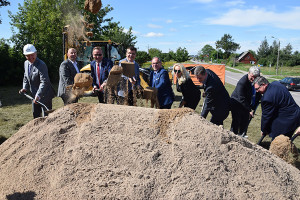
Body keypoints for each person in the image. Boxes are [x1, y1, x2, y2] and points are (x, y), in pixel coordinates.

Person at [253, 76, 300, 140]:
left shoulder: (267, 98)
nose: (257, 91)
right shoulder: (276, 83)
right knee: (286, 139)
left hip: (287, 121)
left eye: (257, 88)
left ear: (263, 85)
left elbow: (266, 116)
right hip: (296, 114)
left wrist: (263, 129)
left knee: (278, 140)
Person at [19, 44, 55, 118]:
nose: (30, 57)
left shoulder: (41, 65)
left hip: (45, 93)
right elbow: (26, 76)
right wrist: (25, 87)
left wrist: (38, 94)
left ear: (36, 53)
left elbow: (44, 81)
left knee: (46, 116)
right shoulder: (26, 63)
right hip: (34, 93)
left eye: (32, 55)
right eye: (27, 56)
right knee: (36, 115)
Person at [230, 66, 261, 137]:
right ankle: (232, 136)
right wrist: (249, 110)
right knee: (236, 121)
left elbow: (258, 93)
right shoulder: (242, 82)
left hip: (246, 103)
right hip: (236, 102)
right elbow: (241, 98)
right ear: (248, 73)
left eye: (256, 77)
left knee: (245, 121)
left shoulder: (258, 81)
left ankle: (242, 135)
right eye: (252, 77)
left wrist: (252, 107)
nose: (253, 79)